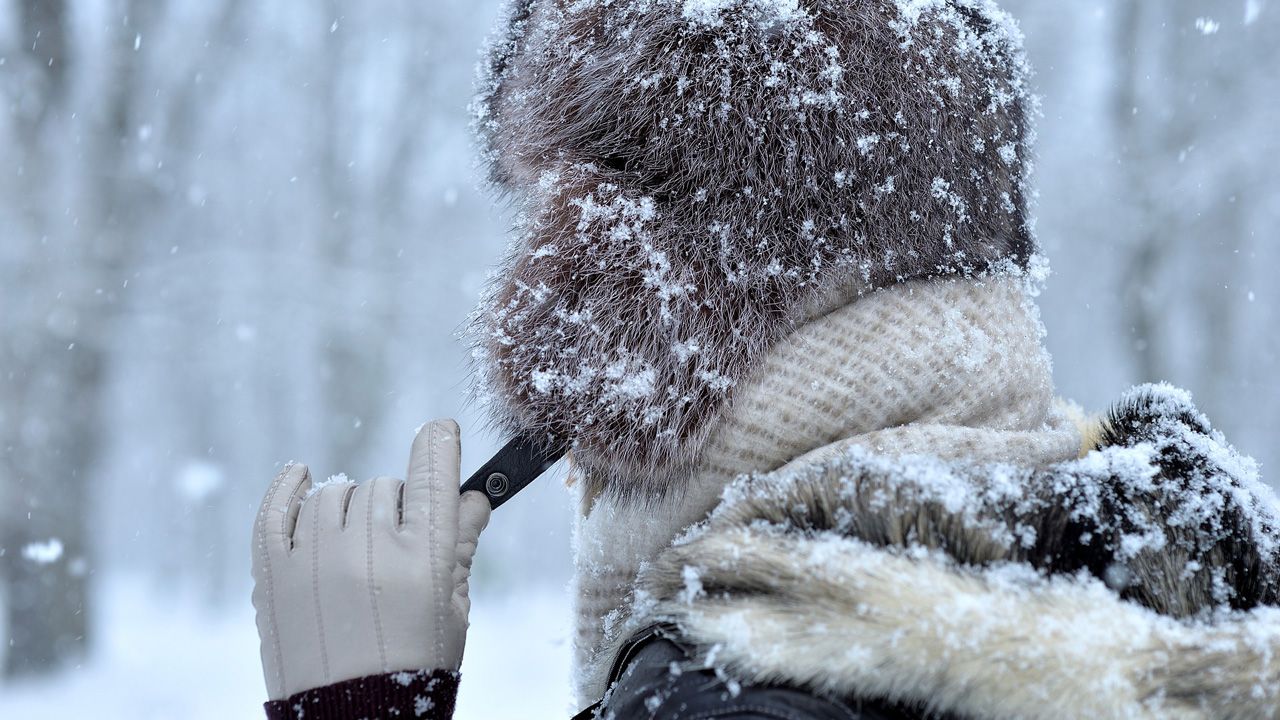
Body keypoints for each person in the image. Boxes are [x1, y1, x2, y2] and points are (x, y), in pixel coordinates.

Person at [252, 1, 1280, 718]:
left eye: (540, 229)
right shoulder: (1177, 568)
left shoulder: (733, 690)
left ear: (633, 298)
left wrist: (366, 709)